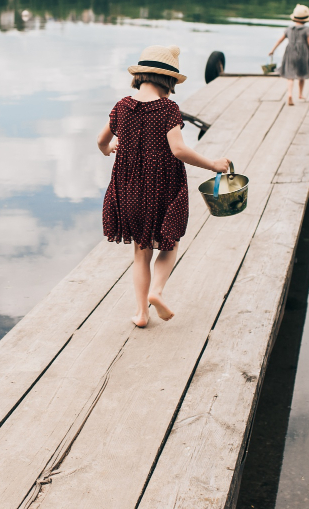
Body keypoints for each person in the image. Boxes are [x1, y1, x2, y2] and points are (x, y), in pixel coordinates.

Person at [97, 45, 230, 328]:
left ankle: (141, 314)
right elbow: (179, 150)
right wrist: (214, 164)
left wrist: (111, 148)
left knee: (140, 251)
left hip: (130, 188)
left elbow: (100, 141)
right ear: (168, 81)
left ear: (140, 76)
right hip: (164, 187)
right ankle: (156, 292)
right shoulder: (168, 108)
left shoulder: (121, 106)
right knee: (169, 243)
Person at [268, 4, 309, 105]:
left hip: (290, 53)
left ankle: (289, 94)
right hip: (303, 54)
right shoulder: (306, 30)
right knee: (301, 74)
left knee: (290, 75)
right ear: (306, 19)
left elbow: (280, 40)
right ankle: (300, 94)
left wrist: (272, 50)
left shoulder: (289, 29)